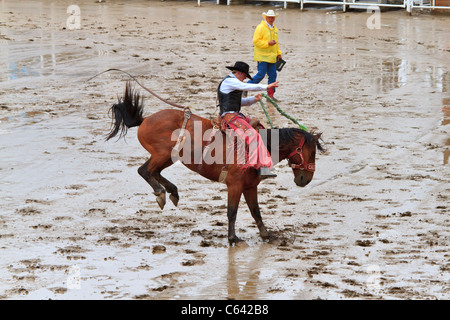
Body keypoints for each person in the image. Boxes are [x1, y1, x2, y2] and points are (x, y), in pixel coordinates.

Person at [217, 61, 278, 178]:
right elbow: (246, 86)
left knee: (260, 128)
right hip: (229, 117)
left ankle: (255, 160)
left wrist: (253, 99)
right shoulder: (230, 81)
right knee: (253, 135)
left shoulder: (232, 83)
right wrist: (266, 87)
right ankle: (260, 168)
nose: (245, 78)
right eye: (245, 76)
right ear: (239, 73)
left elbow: (239, 102)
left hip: (235, 115)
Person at [247, 9, 282, 100]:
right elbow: (256, 41)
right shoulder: (260, 27)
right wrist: (267, 43)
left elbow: (276, 43)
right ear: (266, 18)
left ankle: (270, 96)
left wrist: (279, 53)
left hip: (272, 56)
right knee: (261, 74)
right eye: (269, 18)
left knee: (273, 75)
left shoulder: (275, 29)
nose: (271, 19)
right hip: (262, 56)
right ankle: (246, 87)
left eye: (272, 18)